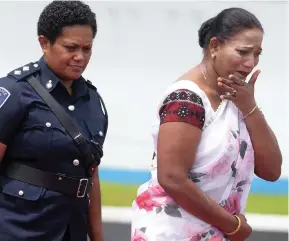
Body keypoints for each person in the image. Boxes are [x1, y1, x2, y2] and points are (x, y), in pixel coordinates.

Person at [131, 7, 282, 241]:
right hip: (172, 232)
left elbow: (271, 171)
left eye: (257, 54)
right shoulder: (186, 98)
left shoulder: (237, 97)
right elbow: (171, 177)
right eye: (243, 52)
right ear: (214, 46)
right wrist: (232, 225)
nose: (251, 62)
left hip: (212, 231)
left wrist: (250, 107)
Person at [0, 1, 108, 241]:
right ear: (44, 43)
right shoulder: (14, 92)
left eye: (87, 49)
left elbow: (91, 175)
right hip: (19, 229)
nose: (80, 57)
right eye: (70, 48)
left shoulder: (92, 100)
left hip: (72, 230)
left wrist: (97, 237)